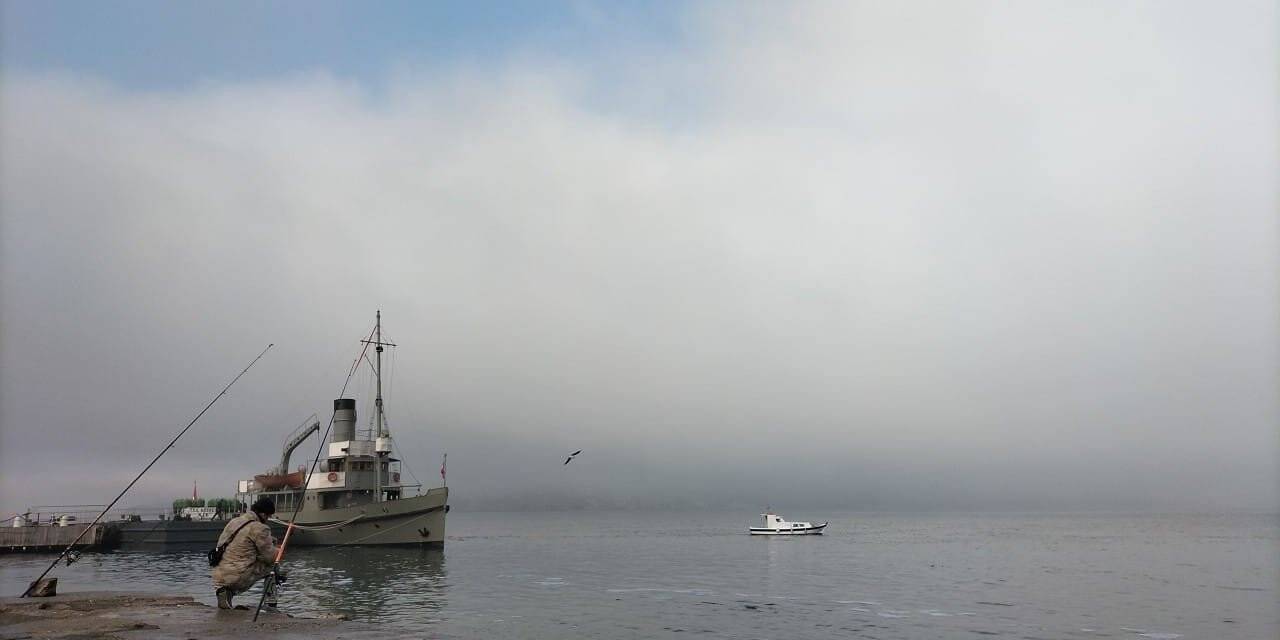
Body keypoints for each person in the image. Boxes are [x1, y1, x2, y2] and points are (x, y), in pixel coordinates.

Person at [212, 497, 279, 609]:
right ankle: (271, 603)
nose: (268, 519)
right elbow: (270, 557)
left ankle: (225, 592)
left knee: (239, 564)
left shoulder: (234, 522)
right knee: (272, 567)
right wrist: (277, 549)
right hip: (236, 576)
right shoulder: (260, 528)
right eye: (268, 516)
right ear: (263, 514)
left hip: (219, 575)